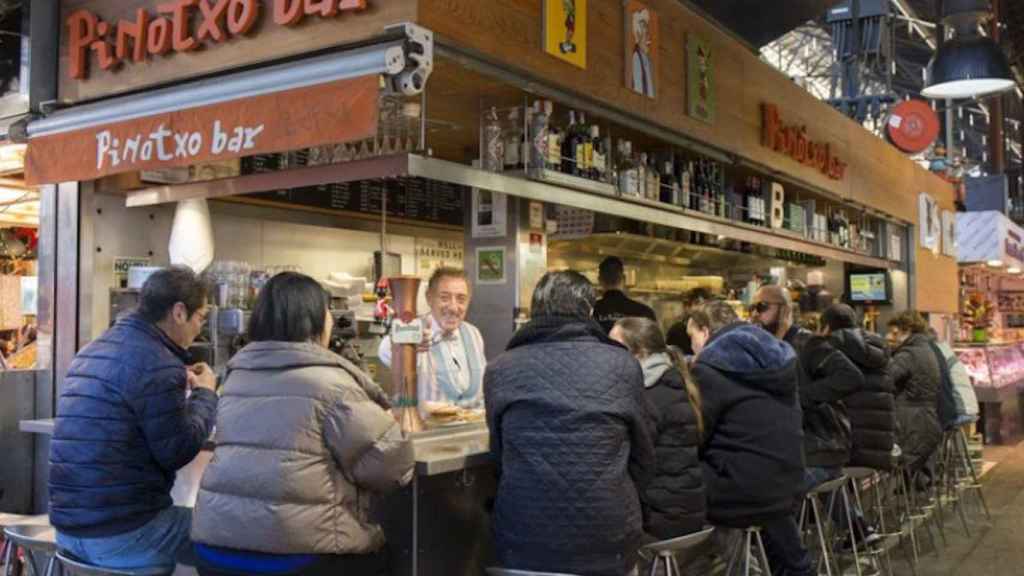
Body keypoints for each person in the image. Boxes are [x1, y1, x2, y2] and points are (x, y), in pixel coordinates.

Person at [191, 272, 413, 576]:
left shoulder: (236, 375)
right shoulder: (332, 385)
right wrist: (389, 426)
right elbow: (391, 468)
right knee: (394, 560)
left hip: (215, 551)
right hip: (301, 558)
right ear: (315, 320)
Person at [486, 270, 655, 576]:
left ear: (535, 312)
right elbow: (643, 456)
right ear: (590, 311)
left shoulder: (500, 368)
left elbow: (499, 457)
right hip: (610, 540)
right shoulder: (623, 365)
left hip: (523, 542)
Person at [49, 266, 218, 570]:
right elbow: (177, 451)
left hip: (68, 532)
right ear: (179, 312)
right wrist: (206, 393)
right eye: (200, 318)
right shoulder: (158, 363)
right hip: (123, 533)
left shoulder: (90, 351)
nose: (199, 330)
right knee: (227, 536)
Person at [688, 301, 812, 576]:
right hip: (789, 480)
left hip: (742, 492)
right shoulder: (781, 359)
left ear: (706, 332)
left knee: (679, 492)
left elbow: (697, 434)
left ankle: (743, 568)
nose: (692, 347)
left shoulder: (708, 369)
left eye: (692, 337)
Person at [750, 286, 862, 492]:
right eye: (752, 308)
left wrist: (801, 398)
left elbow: (851, 376)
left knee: (769, 495)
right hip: (796, 447)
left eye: (762, 306)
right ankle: (858, 525)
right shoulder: (768, 345)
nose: (755, 313)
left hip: (818, 447)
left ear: (785, 310)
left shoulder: (808, 343)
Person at [611, 317, 706, 542]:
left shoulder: (651, 394)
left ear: (639, 353)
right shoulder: (670, 380)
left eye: (615, 348)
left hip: (661, 517)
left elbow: (633, 458)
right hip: (684, 507)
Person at [378, 267, 486, 419]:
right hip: (428, 434)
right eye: (444, 298)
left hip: (470, 434)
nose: (454, 307)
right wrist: (407, 345)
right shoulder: (415, 330)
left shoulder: (474, 334)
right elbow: (385, 349)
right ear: (429, 298)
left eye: (461, 299)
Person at [822, 304, 896, 472]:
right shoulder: (880, 348)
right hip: (879, 451)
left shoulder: (826, 350)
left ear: (826, 327)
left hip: (846, 452)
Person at [886, 311, 943, 475]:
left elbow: (886, 378)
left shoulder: (908, 354)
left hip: (910, 425)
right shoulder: (925, 349)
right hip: (926, 421)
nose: (891, 337)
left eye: (895, 332)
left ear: (907, 330)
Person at [593, 256, 657, 333]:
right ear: (624, 279)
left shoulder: (590, 312)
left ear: (599, 280)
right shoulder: (644, 312)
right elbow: (654, 343)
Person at [631, 7, 656, 97]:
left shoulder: (646, 59)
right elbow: (638, 91)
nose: (648, 39)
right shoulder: (636, 57)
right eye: (645, 33)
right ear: (637, 35)